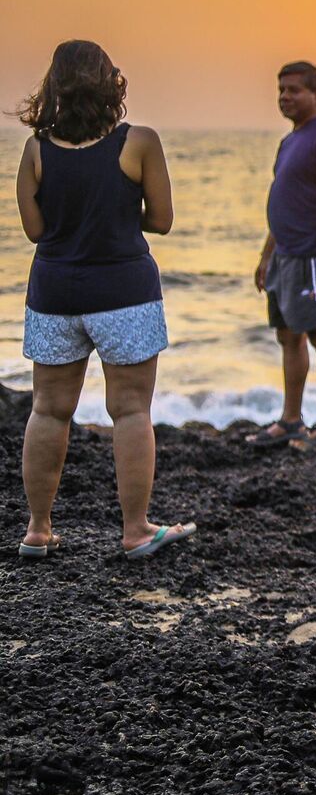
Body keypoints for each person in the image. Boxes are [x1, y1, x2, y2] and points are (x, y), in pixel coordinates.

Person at [11, 41, 196, 559]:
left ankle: (38, 530)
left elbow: (34, 230)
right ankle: (136, 531)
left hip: (54, 291)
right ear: (108, 82)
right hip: (125, 292)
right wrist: (115, 218)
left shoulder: (35, 149)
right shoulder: (139, 142)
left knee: (48, 412)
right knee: (131, 410)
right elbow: (161, 219)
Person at [247, 62, 316, 451]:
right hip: (284, 257)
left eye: (294, 90)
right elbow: (285, 201)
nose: (285, 97)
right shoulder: (291, 140)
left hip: (312, 256)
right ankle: (291, 421)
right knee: (288, 336)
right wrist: (266, 255)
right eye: (281, 90)